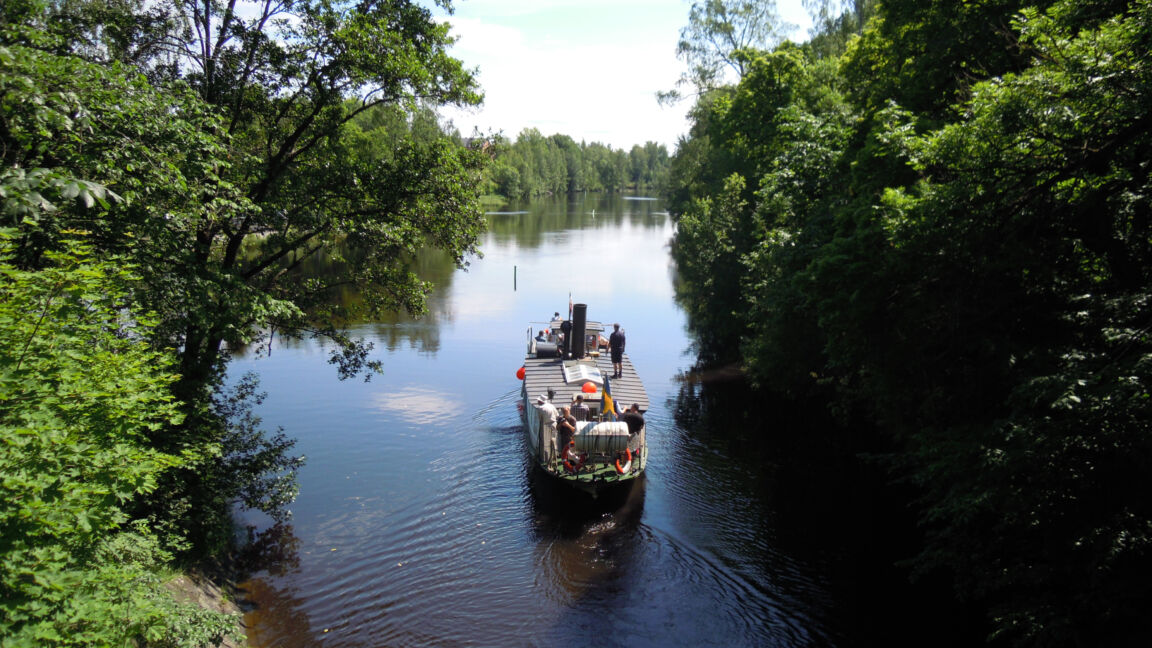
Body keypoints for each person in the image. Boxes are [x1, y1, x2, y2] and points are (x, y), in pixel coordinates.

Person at [535, 393, 558, 460]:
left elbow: (539, 418)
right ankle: (554, 455)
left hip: (546, 425)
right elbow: (557, 414)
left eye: (538, 401)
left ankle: (546, 457)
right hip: (554, 424)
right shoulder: (551, 406)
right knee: (554, 440)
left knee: (546, 442)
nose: (537, 402)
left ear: (540, 401)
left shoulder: (540, 408)